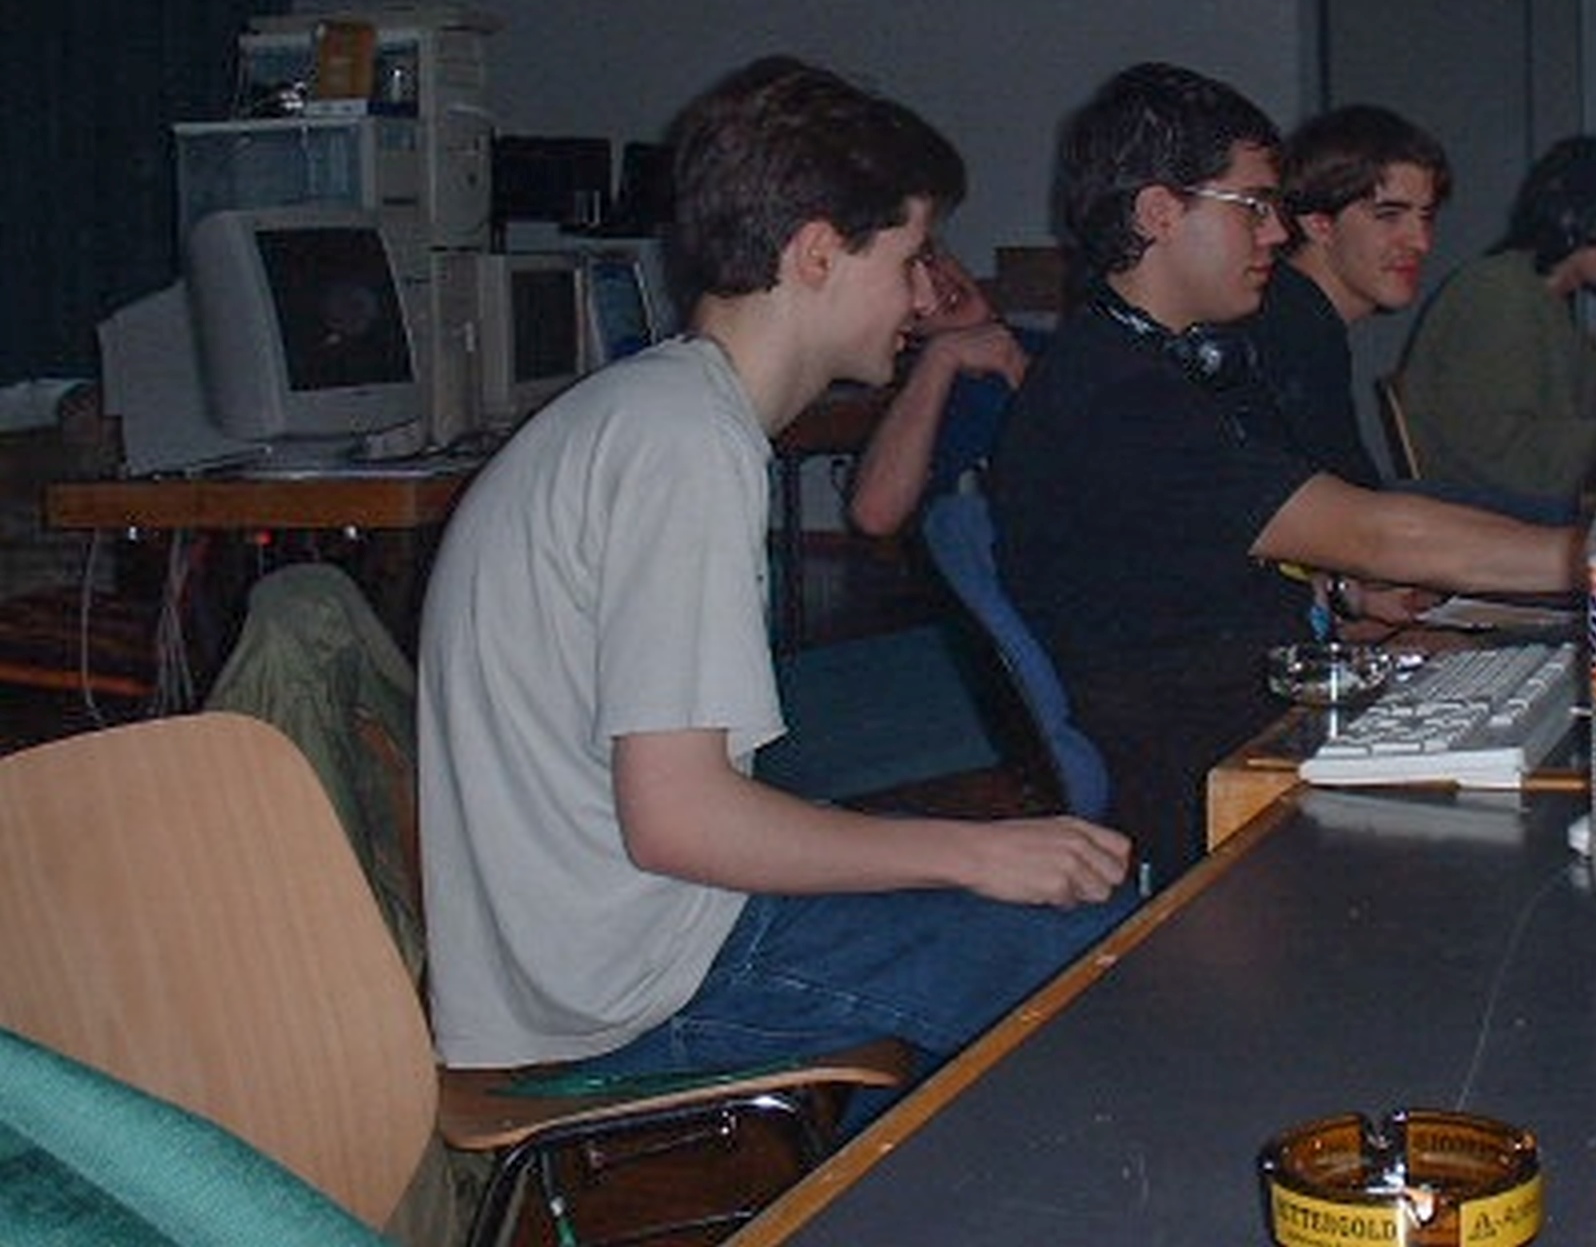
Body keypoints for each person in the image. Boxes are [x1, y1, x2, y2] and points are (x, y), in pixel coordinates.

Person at [417, 55, 1132, 1089]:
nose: (925, 293)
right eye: (909, 256)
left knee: (1014, 887)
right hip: (633, 985)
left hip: (608, 946)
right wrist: (975, 852)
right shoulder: (686, 444)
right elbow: (682, 822)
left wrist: (968, 851)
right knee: (1106, 955)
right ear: (816, 254)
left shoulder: (660, 410)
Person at [989, 63, 1583, 882]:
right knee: (1550, 840)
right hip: (1214, 781)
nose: (1275, 232)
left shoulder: (1171, 362)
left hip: (1259, 712)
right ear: (1160, 212)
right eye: (1254, 206)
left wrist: (1345, 598)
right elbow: (1375, 533)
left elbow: (1203, 560)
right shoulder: (1116, 395)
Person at [1394, 133, 1596, 519]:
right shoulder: (1500, 293)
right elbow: (1499, 452)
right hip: (1488, 513)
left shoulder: (1547, 300)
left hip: (1513, 504)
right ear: (1573, 214)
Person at [1246, 103, 1451, 490]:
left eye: (1426, 216)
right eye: (1389, 215)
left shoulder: (1299, 312)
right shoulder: (1291, 330)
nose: (1421, 241)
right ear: (1319, 224)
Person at [843, 247, 1032, 537]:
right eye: (908, 280)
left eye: (931, 259)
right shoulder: (928, 397)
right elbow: (874, 515)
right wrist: (940, 356)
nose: (937, 282)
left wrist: (1020, 373)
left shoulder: (1063, 351)